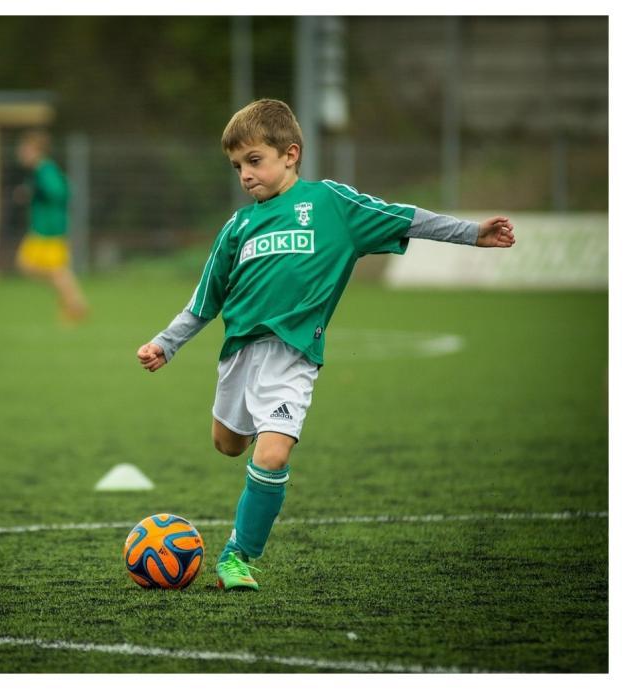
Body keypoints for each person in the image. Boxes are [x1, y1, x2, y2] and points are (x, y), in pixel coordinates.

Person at [136, 99, 515, 592]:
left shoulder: (332, 205)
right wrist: (167, 344)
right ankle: (259, 437)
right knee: (228, 445)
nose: (245, 175)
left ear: (290, 154)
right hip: (239, 356)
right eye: (237, 167)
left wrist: (470, 233)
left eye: (255, 160)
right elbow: (204, 300)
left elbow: (405, 218)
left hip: (294, 356)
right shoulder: (237, 227)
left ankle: (238, 556)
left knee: (271, 456)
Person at [15, 129, 88, 322]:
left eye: (25, 149)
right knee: (33, 267)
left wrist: (36, 191)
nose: (21, 152)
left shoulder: (44, 169)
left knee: (49, 269)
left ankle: (74, 304)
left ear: (35, 150)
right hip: (43, 228)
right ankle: (72, 301)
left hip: (49, 229)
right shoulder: (41, 171)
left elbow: (60, 191)